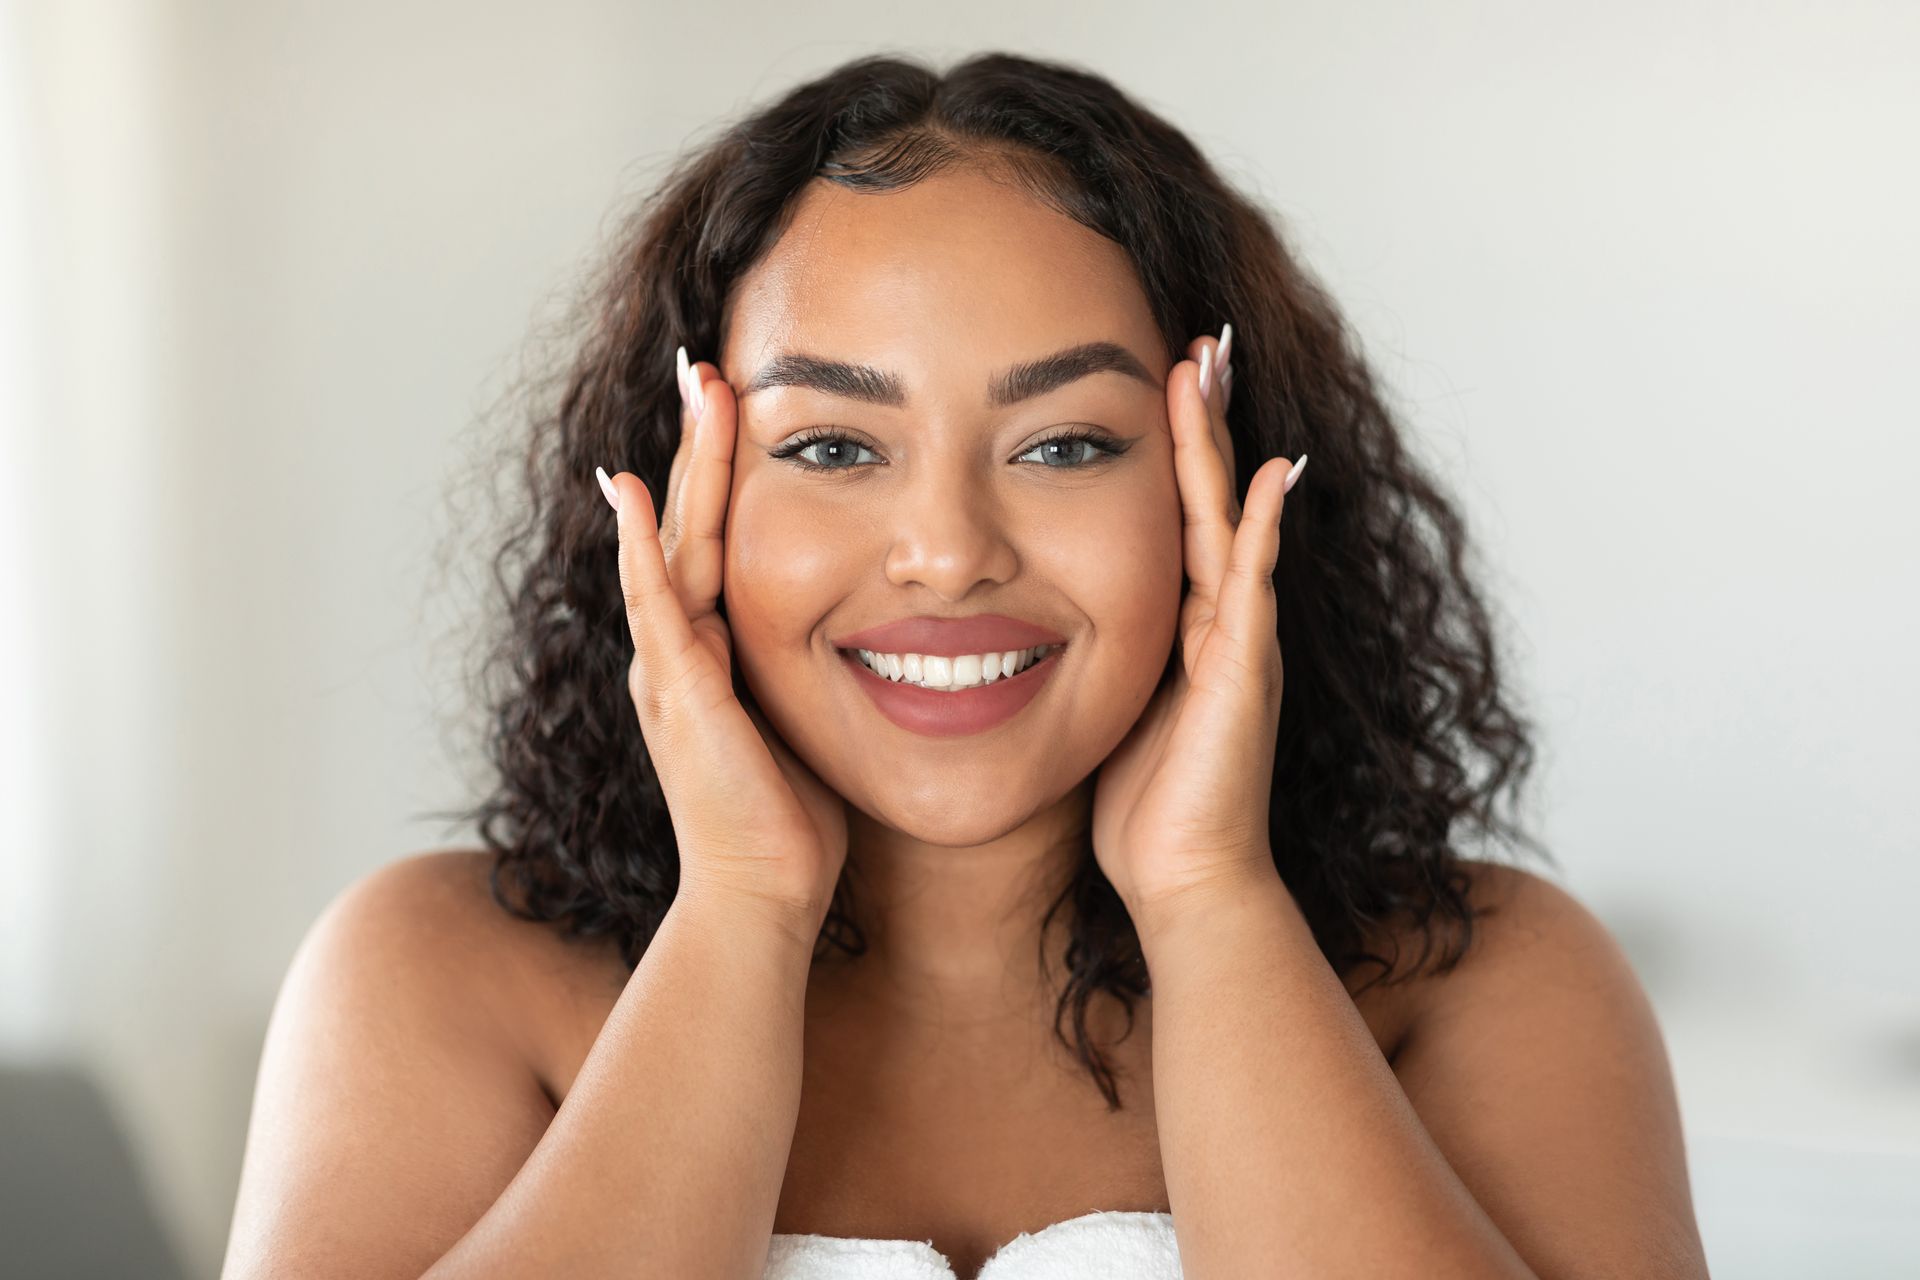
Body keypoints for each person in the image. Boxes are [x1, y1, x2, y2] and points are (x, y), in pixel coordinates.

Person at [222, 51, 1710, 1280]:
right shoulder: (437, 977)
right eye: (832, 445)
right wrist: (740, 905)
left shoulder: (1491, 986)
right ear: (688, 493)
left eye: (1065, 443)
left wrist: (1211, 902)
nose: (946, 550)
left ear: (1219, 482)